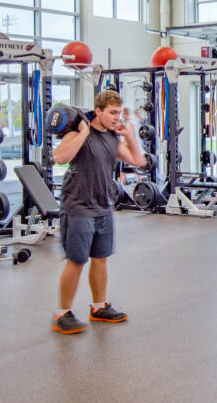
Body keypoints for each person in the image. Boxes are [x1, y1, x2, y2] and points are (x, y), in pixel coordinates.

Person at [50, 89, 147, 334]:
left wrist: (130, 136)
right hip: (78, 207)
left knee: (100, 258)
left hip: (103, 206)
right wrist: (83, 133)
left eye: (119, 113)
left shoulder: (114, 138)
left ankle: (99, 307)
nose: (117, 117)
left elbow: (139, 161)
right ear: (99, 111)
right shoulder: (77, 132)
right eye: (112, 113)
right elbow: (60, 157)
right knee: (76, 261)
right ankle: (63, 313)